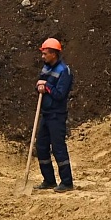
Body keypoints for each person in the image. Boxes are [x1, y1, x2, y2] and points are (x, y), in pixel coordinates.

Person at [34, 38, 74, 192]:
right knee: (41, 146)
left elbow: (60, 94)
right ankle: (49, 180)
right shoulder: (46, 68)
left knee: (58, 147)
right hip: (46, 113)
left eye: (45, 54)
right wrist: (39, 86)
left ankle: (67, 182)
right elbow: (40, 85)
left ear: (54, 54)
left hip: (57, 114)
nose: (43, 56)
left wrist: (47, 86)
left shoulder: (64, 71)